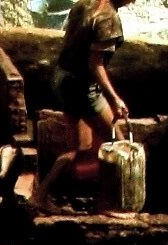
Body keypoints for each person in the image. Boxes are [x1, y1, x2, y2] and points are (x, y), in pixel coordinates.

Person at [37, 0, 129, 209]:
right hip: (81, 86)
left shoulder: (83, 4)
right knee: (118, 144)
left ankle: (41, 194)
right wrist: (114, 98)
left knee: (81, 147)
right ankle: (111, 202)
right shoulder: (107, 19)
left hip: (63, 78)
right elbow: (95, 65)